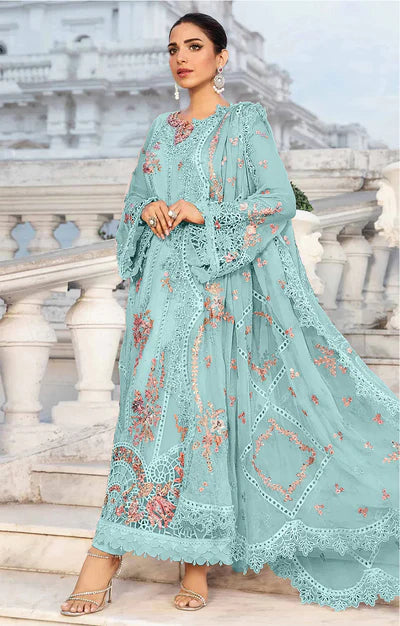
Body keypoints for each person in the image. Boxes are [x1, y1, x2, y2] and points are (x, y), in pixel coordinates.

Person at [60, 12, 400, 617]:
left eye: (194, 46)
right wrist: (148, 211)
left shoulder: (244, 122)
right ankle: (112, 549)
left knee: (206, 416)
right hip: (158, 297)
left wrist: (204, 211)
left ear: (221, 58)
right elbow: (135, 202)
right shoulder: (160, 130)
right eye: (172, 48)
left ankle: (191, 561)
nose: (180, 57)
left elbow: (273, 200)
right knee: (145, 415)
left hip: (215, 295)